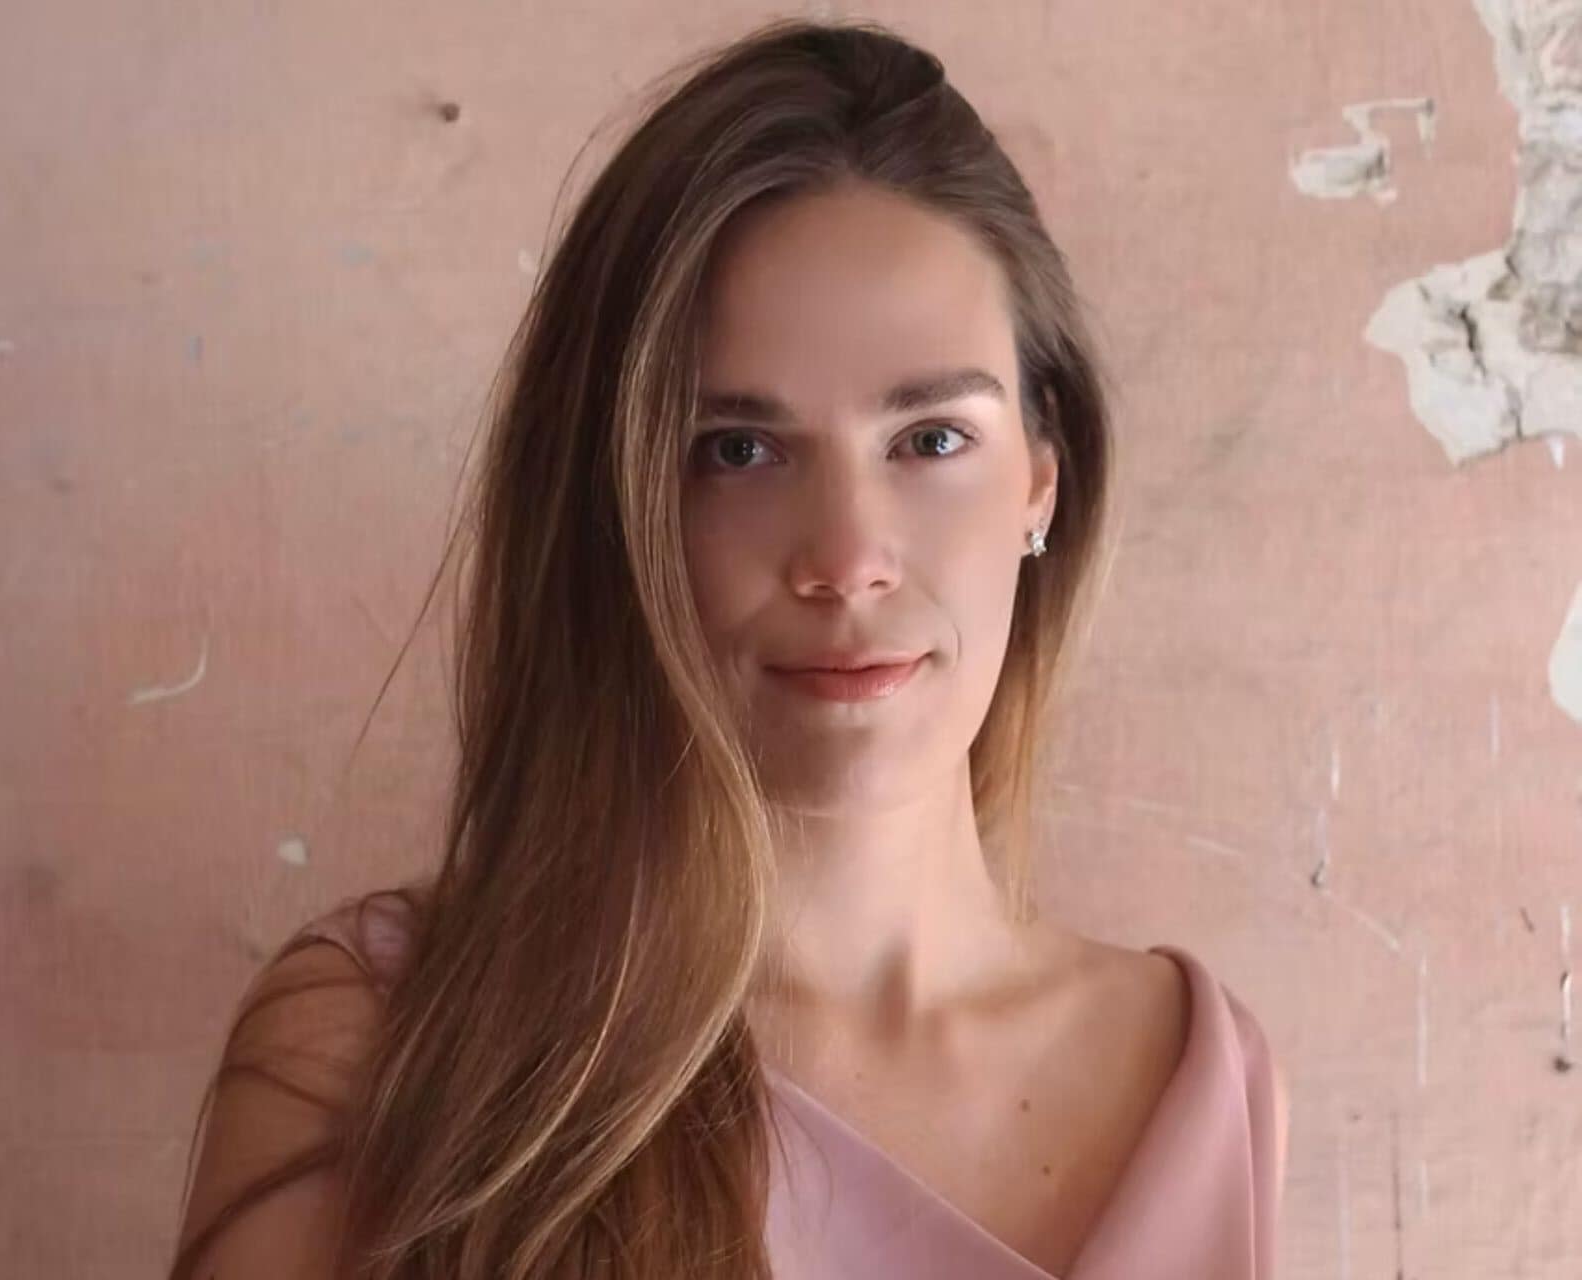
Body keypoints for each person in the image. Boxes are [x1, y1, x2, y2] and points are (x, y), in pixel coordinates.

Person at [168, 17, 1288, 1280]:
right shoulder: (369, 1046)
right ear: (614, 500)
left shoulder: (1204, 1080)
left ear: (1040, 477)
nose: (846, 557)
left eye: (929, 440)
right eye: (738, 450)